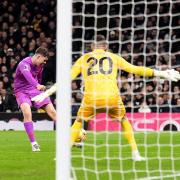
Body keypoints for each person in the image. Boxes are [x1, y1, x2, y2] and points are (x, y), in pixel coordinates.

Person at [31, 35, 180, 160]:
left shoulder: (84, 58)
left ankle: (63, 156)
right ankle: (135, 153)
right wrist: (161, 73)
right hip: (112, 98)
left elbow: (66, 79)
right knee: (124, 121)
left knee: (78, 122)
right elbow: (135, 69)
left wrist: (47, 93)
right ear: (106, 47)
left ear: (92, 47)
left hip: (91, 99)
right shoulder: (113, 57)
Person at [14, 47, 56, 152]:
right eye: (44, 60)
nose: (45, 62)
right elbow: (29, 77)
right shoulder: (23, 64)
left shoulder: (40, 65)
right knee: (27, 113)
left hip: (35, 90)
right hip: (21, 91)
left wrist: (39, 88)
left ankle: (70, 137)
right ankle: (34, 143)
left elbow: (39, 77)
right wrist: (37, 85)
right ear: (38, 57)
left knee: (53, 112)